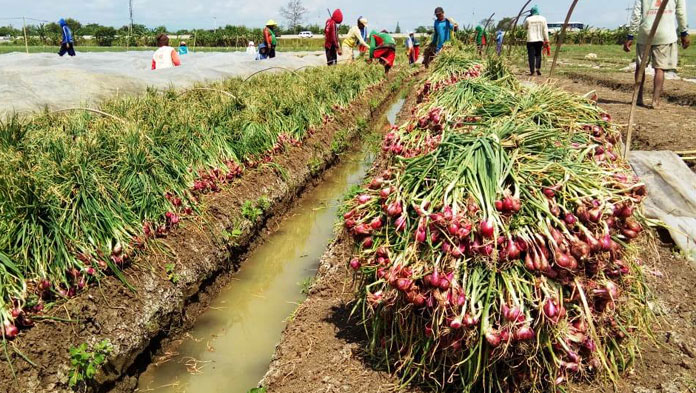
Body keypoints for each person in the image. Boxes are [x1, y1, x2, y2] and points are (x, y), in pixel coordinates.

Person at [624, 0, 690, 108]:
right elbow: (681, 12)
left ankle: (637, 97)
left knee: (640, 66)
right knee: (660, 68)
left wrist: (630, 35)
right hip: (665, 33)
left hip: (646, 32)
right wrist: (684, 32)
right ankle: (655, 100)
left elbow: (636, 13)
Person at [524, 5, 549, 76]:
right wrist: (547, 40)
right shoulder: (543, 19)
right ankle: (538, 69)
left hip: (530, 40)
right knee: (538, 55)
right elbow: (545, 30)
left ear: (531, 12)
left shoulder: (528, 19)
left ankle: (532, 71)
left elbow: (524, 27)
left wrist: (527, 18)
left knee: (531, 55)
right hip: (539, 40)